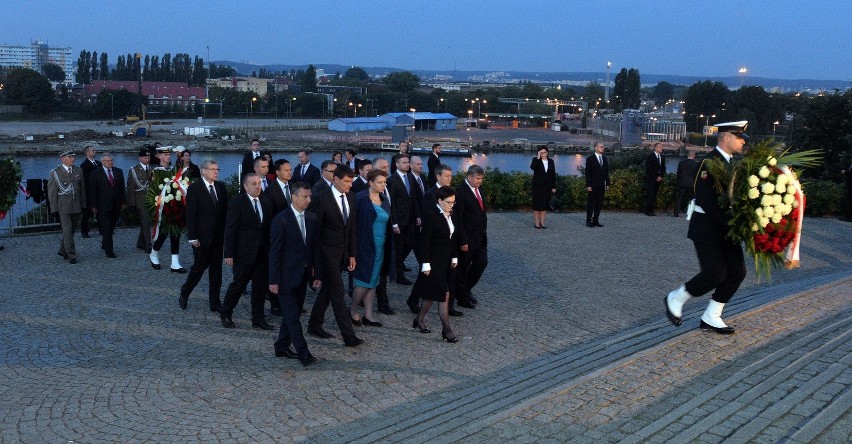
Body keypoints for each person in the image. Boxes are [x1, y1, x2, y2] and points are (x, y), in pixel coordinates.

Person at [665, 121, 750, 335]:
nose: (742, 141)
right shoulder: (708, 163)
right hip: (708, 228)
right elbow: (707, 201)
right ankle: (676, 297)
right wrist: (734, 222)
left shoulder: (731, 163)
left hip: (726, 229)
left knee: (738, 272)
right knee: (715, 274)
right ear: (725, 137)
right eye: (739, 136)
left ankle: (711, 316)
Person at [305, 164, 364, 347]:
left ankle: (314, 323)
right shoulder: (321, 199)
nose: (350, 185)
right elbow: (314, 232)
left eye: (351, 181)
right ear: (335, 179)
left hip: (343, 254)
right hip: (326, 254)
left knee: (328, 290)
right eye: (346, 181)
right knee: (338, 294)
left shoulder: (351, 197)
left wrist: (352, 254)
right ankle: (348, 335)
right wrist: (314, 262)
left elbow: (352, 229)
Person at [269, 182, 321, 367]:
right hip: (284, 278)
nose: (309, 200)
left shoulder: (312, 218)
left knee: (293, 313)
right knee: (292, 317)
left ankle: (281, 346)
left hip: (303, 276)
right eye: (305, 197)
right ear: (294, 196)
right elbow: (275, 252)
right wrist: (273, 280)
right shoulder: (281, 219)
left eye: (310, 197)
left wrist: (316, 274)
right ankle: (303, 353)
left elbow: (314, 249)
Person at [219, 173, 274, 330]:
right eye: (253, 184)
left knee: (260, 287)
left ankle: (258, 318)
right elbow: (230, 229)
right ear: (245, 186)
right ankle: (226, 313)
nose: (258, 186)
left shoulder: (266, 202)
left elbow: (268, 228)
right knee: (239, 285)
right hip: (243, 253)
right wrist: (228, 254)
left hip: (262, 253)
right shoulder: (238, 203)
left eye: (259, 183)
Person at [179, 159, 229, 312]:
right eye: (213, 169)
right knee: (198, 269)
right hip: (201, 238)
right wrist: (193, 237)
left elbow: (224, 213)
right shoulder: (195, 189)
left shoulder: (220, 187)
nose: (216, 172)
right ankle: (185, 292)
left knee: (216, 271)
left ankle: (215, 302)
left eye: (217, 169)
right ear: (204, 171)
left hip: (218, 237)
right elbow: (191, 214)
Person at [412, 187, 460, 343]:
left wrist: (454, 257)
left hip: (446, 261)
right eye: (448, 202)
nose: (451, 205)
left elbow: (452, 238)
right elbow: (424, 241)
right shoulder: (430, 215)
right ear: (439, 200)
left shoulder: (450, 214)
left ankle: (419, 319)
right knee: (444, 294)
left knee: (431, 296)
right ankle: (447, 330)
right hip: (433, 261)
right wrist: (425, 264)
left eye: (453, 202)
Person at [350, 169, 392, 327]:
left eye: (384, 182)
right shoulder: (360, 198)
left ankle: (368, 314)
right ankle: (353, 309)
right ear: (370, 183)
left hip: (381, 246)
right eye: (380, 182)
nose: (383, 185)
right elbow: (354, 225)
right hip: (365, 246)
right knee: (363, 280)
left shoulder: (384, 198)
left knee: (374, 280)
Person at [453, 164, 488, 309]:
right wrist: (462, 240)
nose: (480, 181)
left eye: (481, 178)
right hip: (466, 238)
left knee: (482, 262)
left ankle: (466, 289)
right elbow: (458, 218)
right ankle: (462, 297)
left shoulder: (479, 190)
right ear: (469, 176)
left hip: (480, 237)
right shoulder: (460, 192)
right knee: (462, 268)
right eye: (477, 178)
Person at [149, 146, 187, 273]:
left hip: (175, 205)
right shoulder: (156, 171)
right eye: (165, 155)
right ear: (159, 156)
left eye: (169, 155)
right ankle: (154, 253)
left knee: (175, 233)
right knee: (163, 234)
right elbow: (154, 190)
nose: (168, 157)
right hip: (163, 207)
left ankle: (175, 262)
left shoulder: (174, 169)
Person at [387, 153, 421, 285]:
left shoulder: (410, 178)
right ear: (397, 164)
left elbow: (413, 199)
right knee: (399, 247)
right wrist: (394, 223)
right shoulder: (392, 180)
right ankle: (399, 275)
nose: (407, 165)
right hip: (399, 220)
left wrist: (417, 215)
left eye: (408, 162)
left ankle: (396, 266)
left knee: (410, 243)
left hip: (411, 219)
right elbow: (392, 203)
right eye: (404, 163)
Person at [48, 150, 85, 264]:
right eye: (70, 157)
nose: (73, 159)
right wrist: (53, 209)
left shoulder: (78, 170)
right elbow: (52, 192)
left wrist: (84, 205)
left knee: (72, 230)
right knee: (67, 230)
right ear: (63, 159)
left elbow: (82, 189)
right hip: (63, 206)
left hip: (76, 205)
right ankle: (71, 255)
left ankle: (63, 250)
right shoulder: (56, 172)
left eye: (73, 157)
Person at [87, 153, 125, 258]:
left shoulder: (118, 171)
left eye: (111, 160)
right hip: (103, 205)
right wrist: (93, 205)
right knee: (107, 228)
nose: (110, 162)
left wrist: (123, 202)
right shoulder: (96, 173)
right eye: (108, 161)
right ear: (103, 162)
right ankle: (109, 251)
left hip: (116, 204)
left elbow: (122, 188)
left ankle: (105, 243)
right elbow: (92, 190)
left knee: (112, 226)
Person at [371, 157, 395, 315]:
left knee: (383, 272)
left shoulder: (387, 187)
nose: (387, 169)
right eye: (383, 167)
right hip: (372, 239)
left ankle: (382, 301)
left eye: (387, 166)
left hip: (386, 237)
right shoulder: (363, 194)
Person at [126, 147, 153, 253]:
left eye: (149, 157)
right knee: (145, 222)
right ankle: (148, 245)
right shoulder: (134, 170)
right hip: (140, 199)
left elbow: (153, 184)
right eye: (145, 158)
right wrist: (131, 203)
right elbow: (130, 188)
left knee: (146, 222)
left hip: (151, 198)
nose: (147, 159)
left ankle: (140, 242)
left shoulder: (152, 169)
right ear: (140, 158)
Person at [530, 147, 557, 229]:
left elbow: (553, 175)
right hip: (537, 186)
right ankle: (536, 222)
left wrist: (554, 186)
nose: (543, 154)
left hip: (547, 186)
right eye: (541, 152)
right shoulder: (536, 160)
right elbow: (533, 167)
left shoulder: (551, 161)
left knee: (544, 205)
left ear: (547, 153)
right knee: (537, 204)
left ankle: (542, 222)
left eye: (544, 152)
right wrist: (538, 157)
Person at [79, 144, 101, 238]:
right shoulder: (84, 165)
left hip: (99, 192)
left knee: (101, 211)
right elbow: (86, 180)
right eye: (93, 150)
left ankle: (102, 229)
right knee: (86, 212)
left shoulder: (99, 163)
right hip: (89, 192)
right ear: (87, 152)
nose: (95, 151)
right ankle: (84, 231)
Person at [585, 142, 610, 228]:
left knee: (599, 203)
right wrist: (588, 185)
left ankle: (596, 220)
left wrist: (607, 183)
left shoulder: (605, 158)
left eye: (603, 147)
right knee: (591, 203)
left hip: (602, 185)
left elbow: (606, 172)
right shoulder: (590, 159)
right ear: (596, 148)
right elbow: (587, 173)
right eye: (601, 147)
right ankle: (588, 221)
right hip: (592, 185)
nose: (603, 148)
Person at [673, 150, 699, 217]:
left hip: (682, 183)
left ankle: (676, 212)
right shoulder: (696, 164)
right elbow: (697, 175)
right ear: (693, 156)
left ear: (687, 155)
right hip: (691, 184)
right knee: (692, 199)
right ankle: (691, 212)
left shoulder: (681, 163)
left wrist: (678, 182)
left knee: (679, 198)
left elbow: (678, 173)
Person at [644, 142, 667, 216]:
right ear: (655, 148)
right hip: (651, 179)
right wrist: (655, 177)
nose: (661, 148)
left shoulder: (662, 157)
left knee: (654, 195)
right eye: (660, 147)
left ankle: (652, 211)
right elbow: (649, 169)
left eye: (661, 147)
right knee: (650, 195)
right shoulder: (650, 156)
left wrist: (661, 176)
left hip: (659, 179)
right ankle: (648, 211)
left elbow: (663, 168)